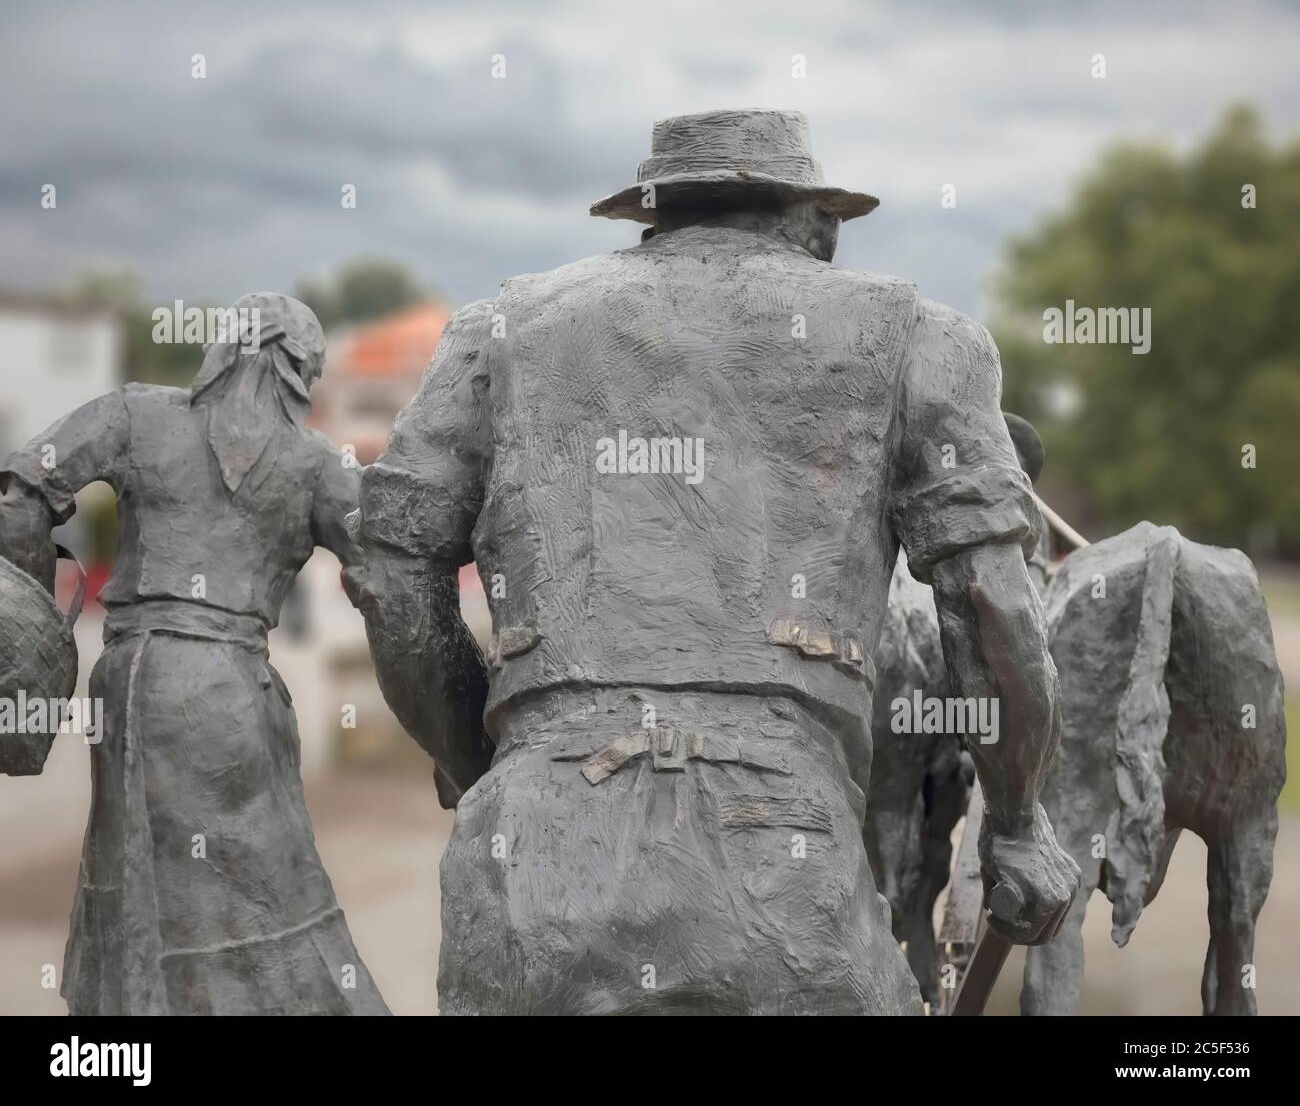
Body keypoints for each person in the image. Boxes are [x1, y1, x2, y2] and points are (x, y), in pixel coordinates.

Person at [352, 109, 1080, 1014]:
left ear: (652, 220)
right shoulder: (921, 338)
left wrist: (483, 760)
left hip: (534, 853)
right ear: (816, 223)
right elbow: (994, 608)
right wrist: (1014, 828)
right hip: (779, 866)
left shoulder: (494, 331)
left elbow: (392, 574)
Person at [0, 293, 388, 1015]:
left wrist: (29, 631)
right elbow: (394, 580)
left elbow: (21, 492)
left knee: (141, 885)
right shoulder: (315, 465)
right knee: (267, 882)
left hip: (134, 680)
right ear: (298, 374)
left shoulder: (135, 414)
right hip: (234, 689)